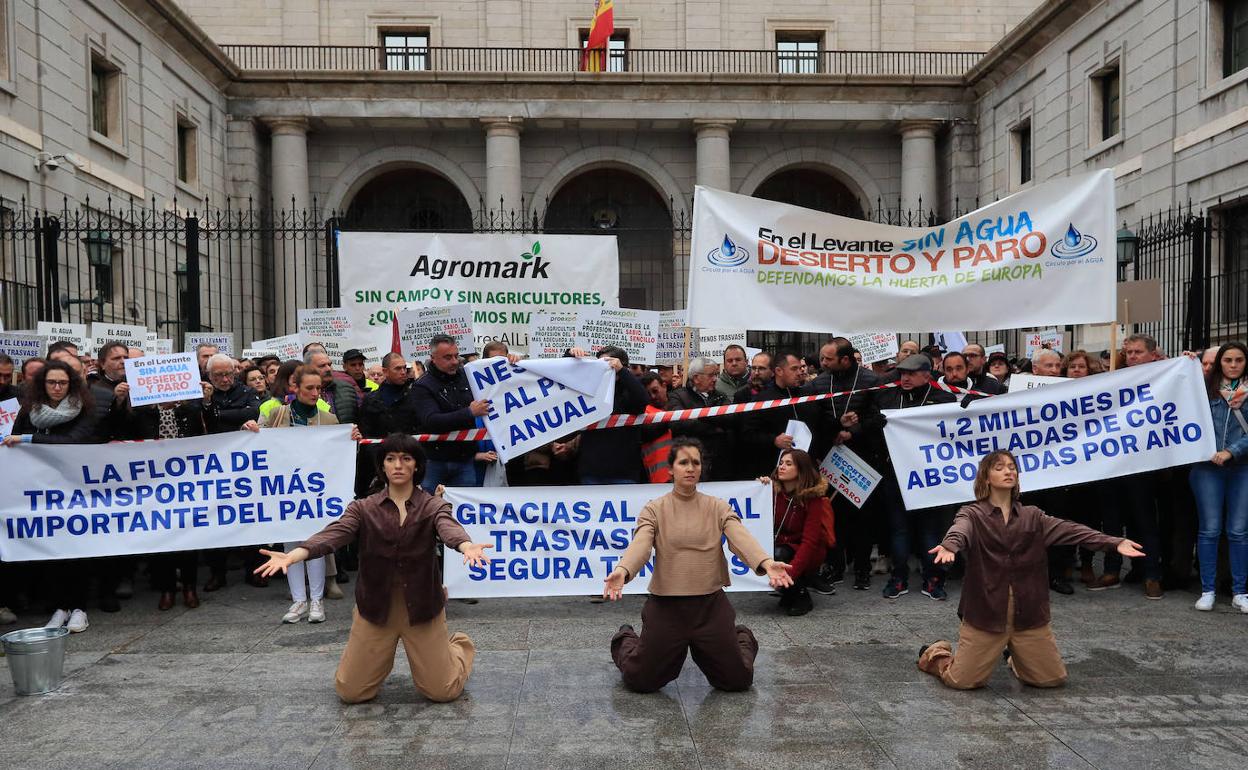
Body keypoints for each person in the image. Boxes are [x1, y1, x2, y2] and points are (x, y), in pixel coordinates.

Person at [254, 434, 490, 703]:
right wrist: (294, 555)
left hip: (423, 607)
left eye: (406, 459)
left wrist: (465, 545)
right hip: (375, 608)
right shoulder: (363, 508)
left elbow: (447, 526)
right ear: (383, 467)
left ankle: (458, 647)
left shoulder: (432, 505)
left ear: (416, 466)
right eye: (391, 459)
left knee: (442, 691)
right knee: (351, 692)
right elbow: (334, 534)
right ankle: (380, 658)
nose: (398, 465)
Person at [917, 450, 1145, 690]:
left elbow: (1071, 530)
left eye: (1012, 467)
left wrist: (1114, 542)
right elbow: (960, 530)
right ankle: (936, 653)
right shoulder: (972, 514)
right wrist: (950, 545)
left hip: (1029, 617)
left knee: (1051, 680)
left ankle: (1017, 657)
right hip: (986, 616)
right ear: (985, 478)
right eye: (999, 467)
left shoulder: (1033, 516)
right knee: (961, 681)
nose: (1008, 471)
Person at [604, 437, 793, 693]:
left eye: (696, 462)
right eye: (684, 462)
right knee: (640, 681)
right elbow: (641, 544)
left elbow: (739, 536)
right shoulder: (654, 509)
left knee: (737, 681)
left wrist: (766, 562)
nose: (691, 468)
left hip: (710, 607)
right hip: (666, 607)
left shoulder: (717, 507)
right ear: (671, 469)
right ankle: (625, 637)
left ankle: (740, 635)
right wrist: (622, 571)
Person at [3, 360, 102, 633]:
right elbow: (13, 437)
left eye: (62, 383)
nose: (57, 388)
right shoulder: (28, 411)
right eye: (51, 382)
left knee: (78, 549)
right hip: (43, 489)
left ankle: (80, 607)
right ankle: (61, 607)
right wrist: (21, 440)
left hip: (75, 488)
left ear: (71, 384)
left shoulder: (84, 409)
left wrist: (29, 440)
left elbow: (74, 442)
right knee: (53, 550)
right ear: (41, 385)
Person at [246, 366, 338, 623]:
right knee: (290, 544)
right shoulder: (277, 414)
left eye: (318, 388)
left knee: (315, 544)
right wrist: (249, 428)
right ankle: (299, 601)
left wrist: (350, 439)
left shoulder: (328, 419)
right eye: (309, 387)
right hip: (284, 490)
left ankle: (317, 601)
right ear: (293, 388)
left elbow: (340, 454)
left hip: (315, 490)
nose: (315, 392)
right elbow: (256, 441)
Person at [871, 353, 956, 600]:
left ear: (927, 375)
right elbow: (872, 431)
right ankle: (899, 579)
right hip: (896, 475)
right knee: (899, 530)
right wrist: (877, 424)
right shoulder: (888, 397)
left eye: (911, 373)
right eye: (902, 373)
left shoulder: (943, 399)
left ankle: (933, 579)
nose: (905, 378)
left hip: (928, 477)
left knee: (930, 531)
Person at [805, 337, 882, 590]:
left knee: (863, 519)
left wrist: (853, 432)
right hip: (828, 460)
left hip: (861, 460)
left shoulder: (871, 382)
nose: (822, 362)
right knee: (832, 518)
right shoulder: (818, 383)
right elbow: (815, 421)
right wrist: (834, 432)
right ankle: (835, 566)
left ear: (845, 360)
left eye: (828, 359)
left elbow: (879, 419)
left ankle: (862, 570)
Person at [1189, 342, 1248, 612]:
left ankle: (1240, 592)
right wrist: (1186, 363)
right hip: (1207, 469)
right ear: (1219, 363)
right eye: (1228, 360)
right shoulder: (1203, 388)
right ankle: (1208, 590)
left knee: (1238, 531)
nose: (1233, 365)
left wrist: (1230, 452)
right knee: (1210, 530)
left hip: (1241, 468)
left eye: (1238, 360)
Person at [557, 345, 649, 485]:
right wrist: (570, 355)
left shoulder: (628, 392)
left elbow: (642, 400)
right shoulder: (592, 391)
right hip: (591, 472)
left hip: (624, 473)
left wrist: (622, 371)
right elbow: (566, 381)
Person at [759, 449, 834, 616]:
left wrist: (791, 574)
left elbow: (810, 542)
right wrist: (759, 487)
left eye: (788, 464)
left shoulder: (813, 499)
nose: (782, 467)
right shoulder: (772, 492)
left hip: (808, 551)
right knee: (775, 553)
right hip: (780, 545)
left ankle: (801, 595)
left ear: (801, 469)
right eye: (781, 463)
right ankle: (789, 592)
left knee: (780, 554)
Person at [739, 351, 821, 480]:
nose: (800, 372)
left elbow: (818, 426)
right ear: (779, 371)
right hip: (775, 472)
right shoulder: (762, 400)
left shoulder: (808, 395)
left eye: (800, 368)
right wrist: (774, 440)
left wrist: (839, 423)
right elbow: (747, 434)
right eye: (794, 369)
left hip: (806, 471)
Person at [666, 356, 734, 480]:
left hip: (719, 463)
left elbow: (729, 418)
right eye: (711, 375)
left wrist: (700, 419)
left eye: (716, 375)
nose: (715, 379)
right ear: (696, 378)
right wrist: (714, 425)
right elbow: (678, 423)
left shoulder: (721, 397)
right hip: (690, 463)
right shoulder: (677, 396)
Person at [306, 351, 357, 424]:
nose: (328, 369)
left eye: (329, 365)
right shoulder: (300, 393)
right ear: (308, 368)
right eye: (322, 366)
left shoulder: (347, 389)